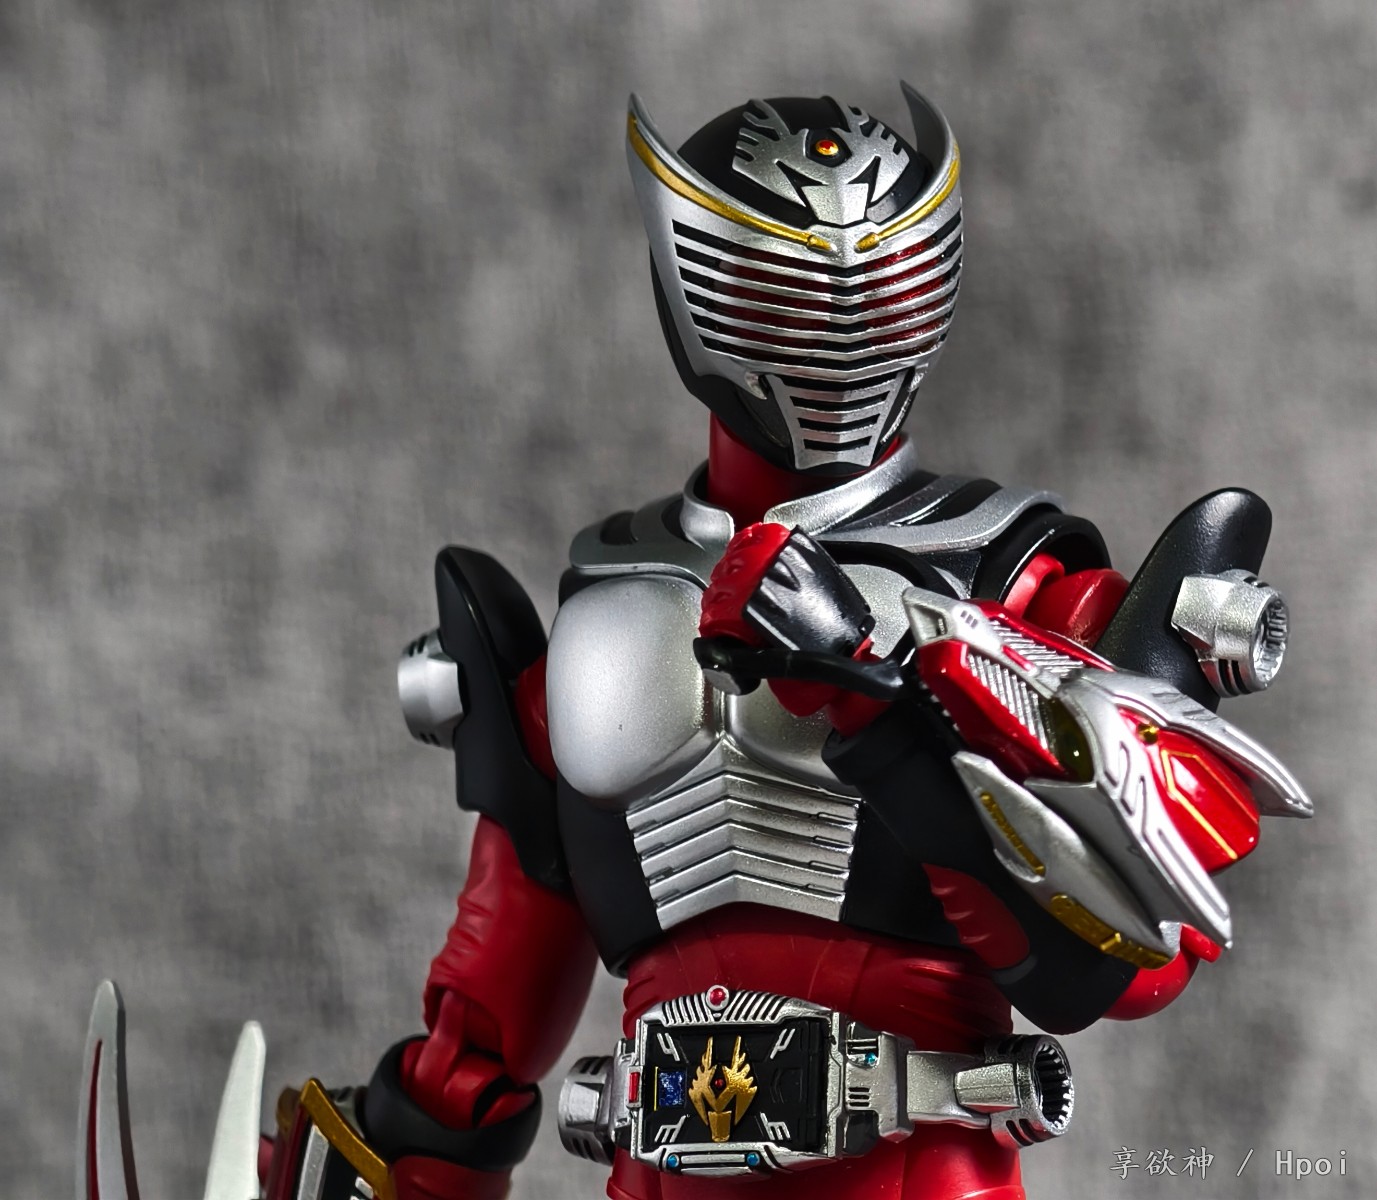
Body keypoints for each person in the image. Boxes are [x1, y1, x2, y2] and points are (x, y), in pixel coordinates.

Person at [79, 84, 1311, 1200]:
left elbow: (1120, 967)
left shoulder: (1020, 584)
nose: (836, 321)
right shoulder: (606, 599)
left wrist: (886, 702)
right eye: (783, 289)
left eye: (876, 283)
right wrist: (406, 1145)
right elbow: (502, 983)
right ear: (693, 279)